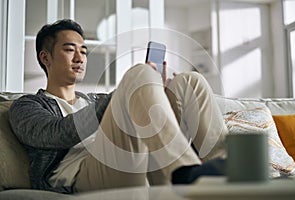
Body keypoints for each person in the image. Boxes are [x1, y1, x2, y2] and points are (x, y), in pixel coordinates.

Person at [9, 19, 228, 194]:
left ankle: (229, 169)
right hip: (82, 176)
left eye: (84, 51)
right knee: (140, 74)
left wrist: (157, 92)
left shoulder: (95, 100)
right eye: (70, 50)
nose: (80, 58)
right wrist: (134, 85)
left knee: (189, 82)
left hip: (134, 161)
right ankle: (187, 173)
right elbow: (55, 134)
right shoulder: (27, 106)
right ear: (45, 57)